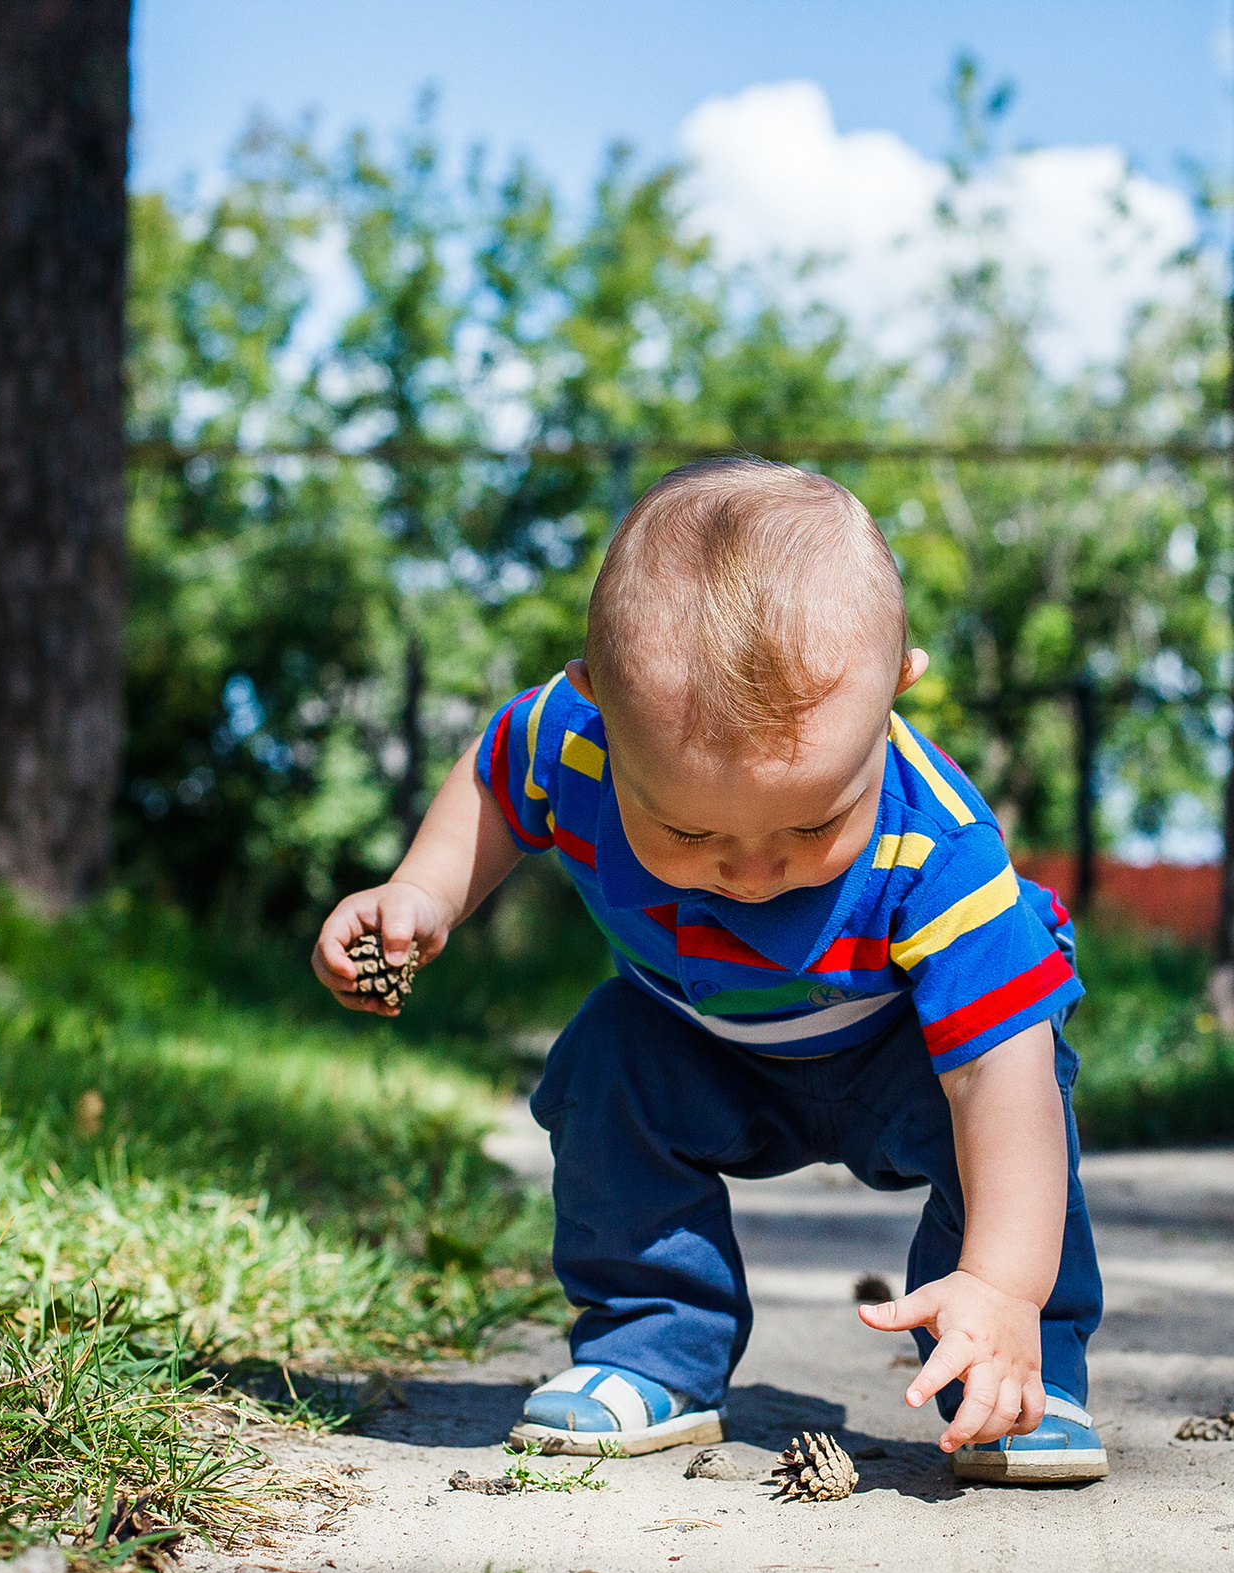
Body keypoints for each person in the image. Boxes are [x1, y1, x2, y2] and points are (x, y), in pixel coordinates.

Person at [311, 457, 1105, 1484]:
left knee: (1017, 1131)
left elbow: (1000, 1079)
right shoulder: (575, 740)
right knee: (606, 1059)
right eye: (687, 828)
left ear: (893, 691)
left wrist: (1001, 1284)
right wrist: (423, 892)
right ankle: (651, 1350)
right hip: (698, 1043)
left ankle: (1010, 1372)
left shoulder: (941, 853)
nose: (750, 870)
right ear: (598, 708)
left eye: (812, 821)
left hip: (910, 1057)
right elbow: (496, 776)